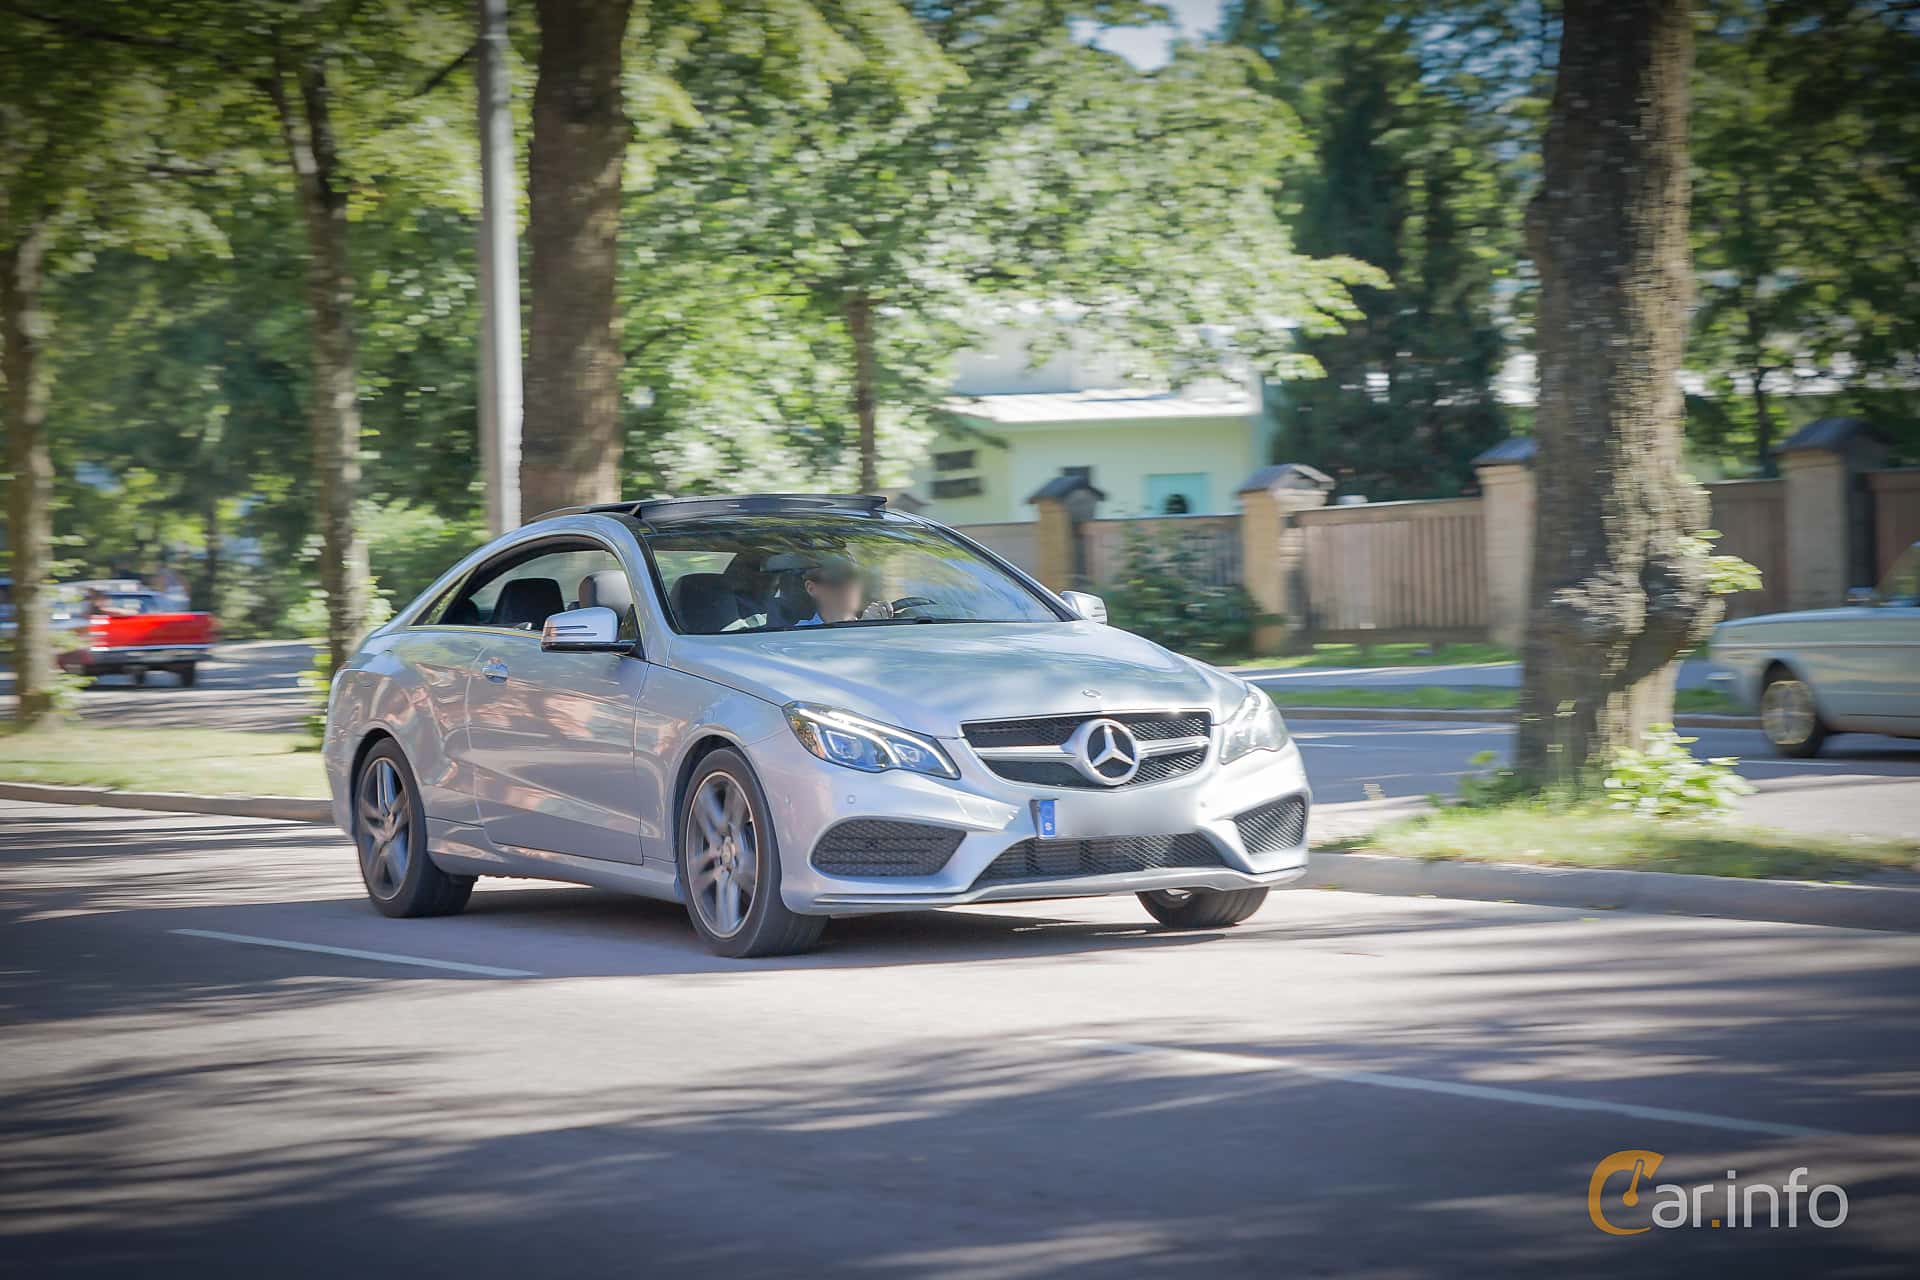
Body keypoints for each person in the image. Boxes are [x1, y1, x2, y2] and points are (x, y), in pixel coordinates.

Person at [795, 555, 892, 627]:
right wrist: (863, 628)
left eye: (853, 577)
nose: (849, 586)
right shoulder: (798, 632)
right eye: (837, 579)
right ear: (811, 589)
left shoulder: (874, 621)